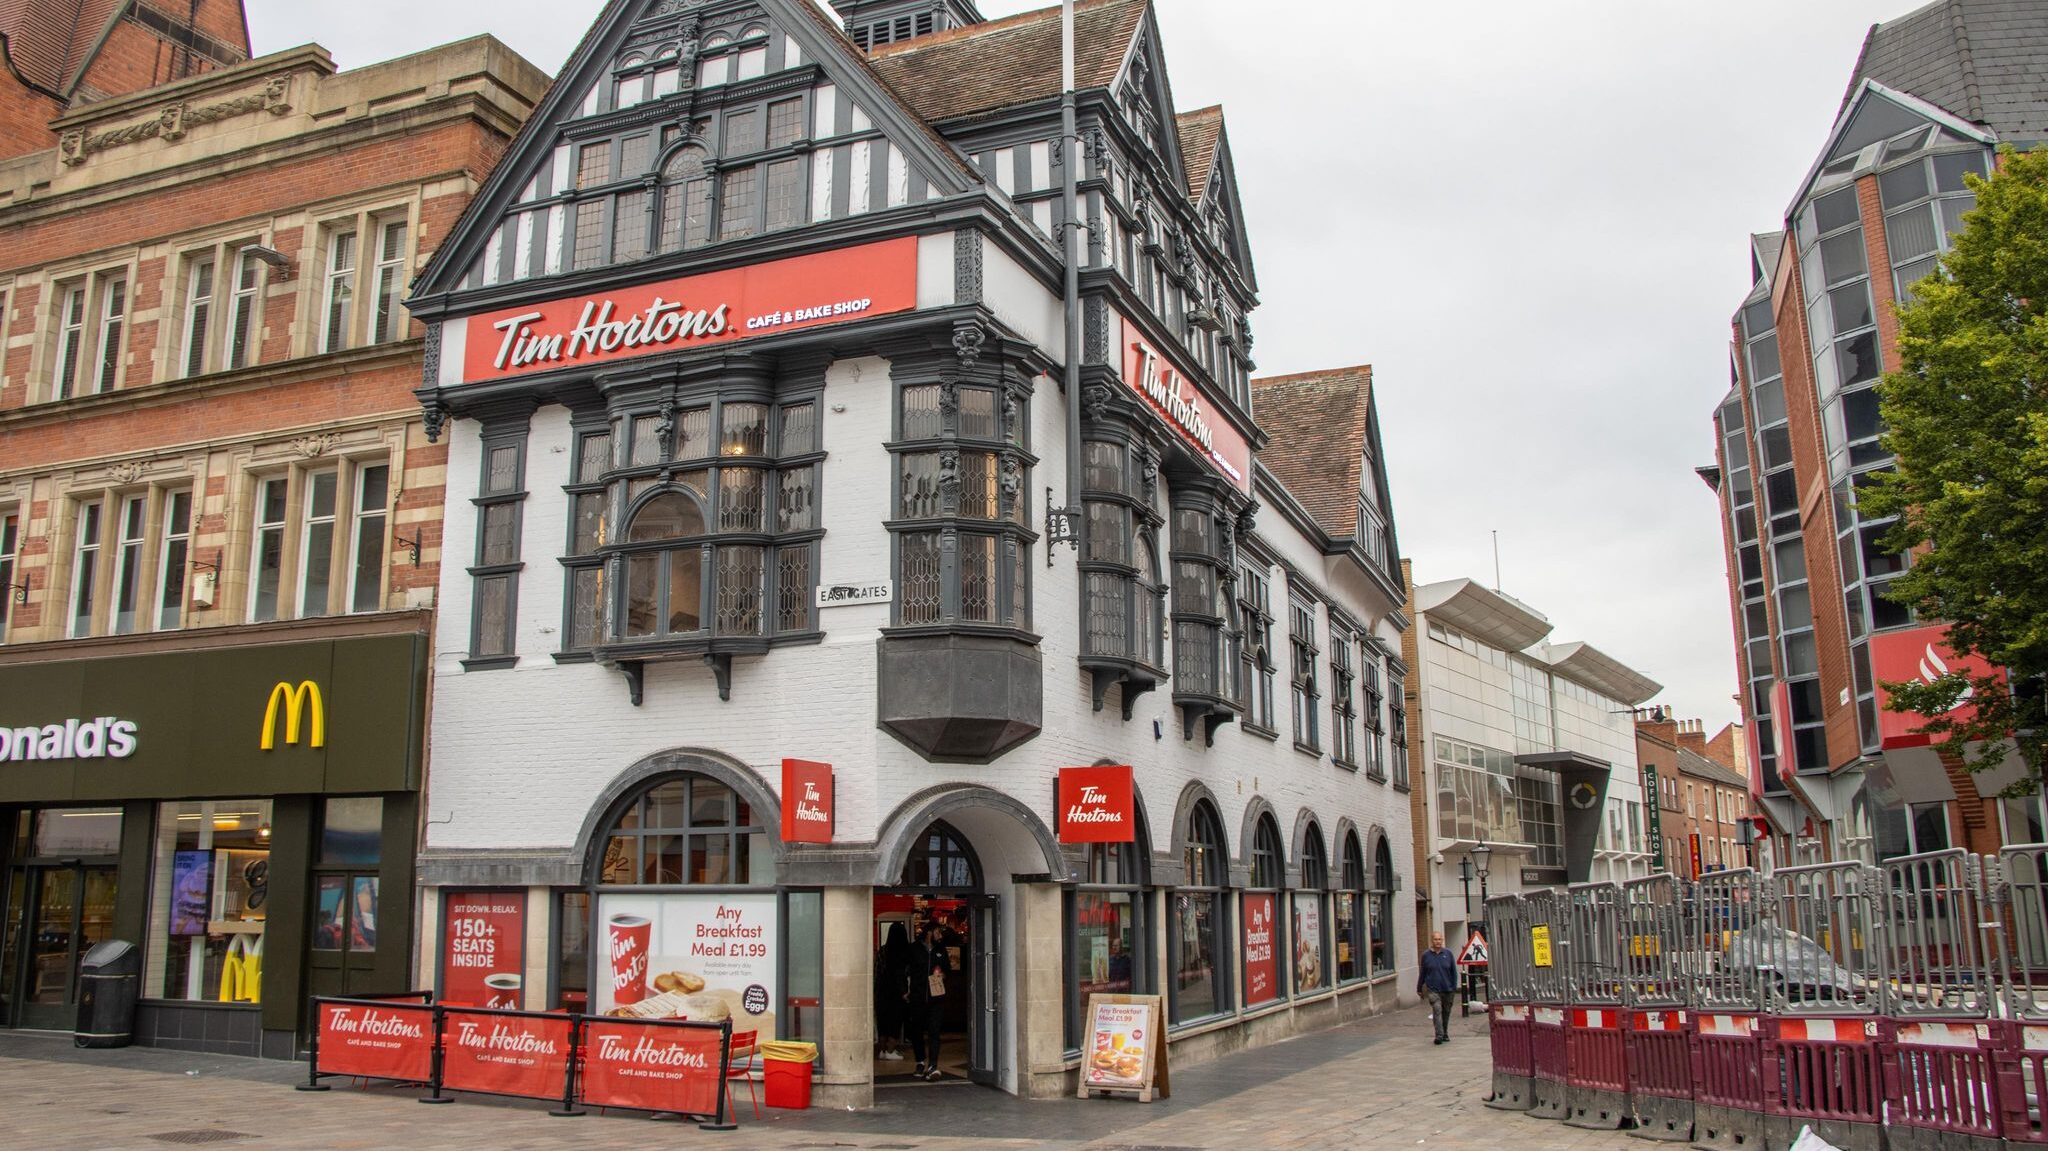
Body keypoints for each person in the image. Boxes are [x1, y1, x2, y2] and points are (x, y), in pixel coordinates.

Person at [908, 919, 949, 1080]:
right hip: (918, 996)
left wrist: (943, 974)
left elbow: (947, 969)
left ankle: (933, 1065)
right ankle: (920, 1061)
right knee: (916, 1030)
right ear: (930, 933)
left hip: (936, 998)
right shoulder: (914, 949)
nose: (940, 936)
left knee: (934, 1031)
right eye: (938, 932)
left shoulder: (941, 950)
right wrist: (905, 990)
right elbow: (905, 969)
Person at [875, 922, 915, 1062]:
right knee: (895, 1022)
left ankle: (882, 1050)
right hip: (897, 994)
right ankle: (891, 1050)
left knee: (883, 1023)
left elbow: (877, 972)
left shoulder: (883, 950)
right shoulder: (904, 952)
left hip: (882, 993)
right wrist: (905, 991)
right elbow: (906, 973)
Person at [1418, 931, 1458, 1044]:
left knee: (1446, 1012)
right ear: (1432, 941)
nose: (1438, 942)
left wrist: (1454, 987)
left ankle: (1445, 1032)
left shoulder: (1448, 954)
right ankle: (1439, 1035)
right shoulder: (1426, 955)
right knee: (1437, 1010)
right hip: (1433, 989)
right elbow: (1423, 973)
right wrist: (1419, 987)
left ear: (1442, 940)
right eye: (1436, 939)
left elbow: (1453, 972)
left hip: (1448, 989)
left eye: (1440, 939)